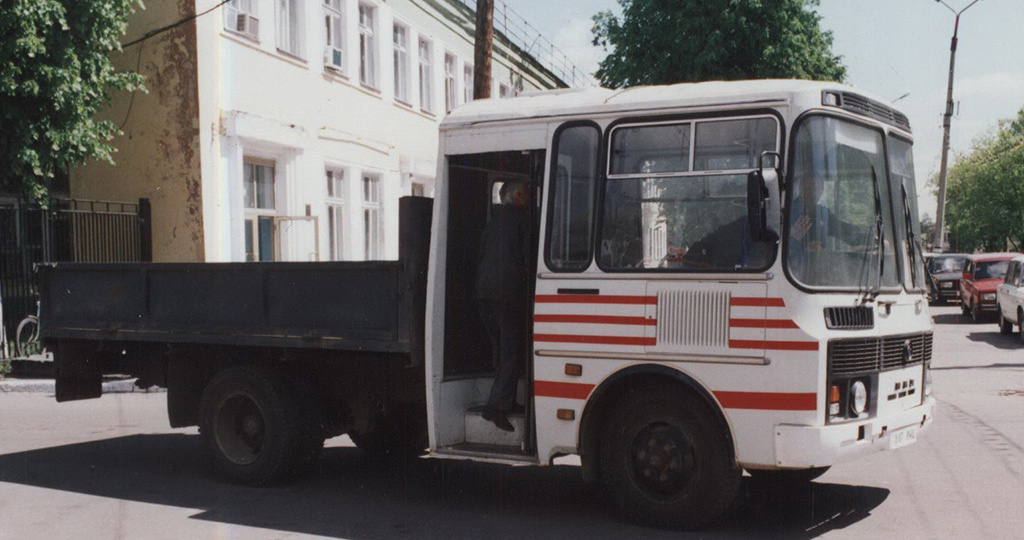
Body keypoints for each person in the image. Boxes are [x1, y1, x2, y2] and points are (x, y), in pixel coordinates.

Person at [474, 180, 530, 432]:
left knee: (500, 351)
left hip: (483, 294)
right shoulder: (522, 222)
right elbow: (527, 260)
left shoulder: (494, 222)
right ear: (518, 196)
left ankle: (507, 400)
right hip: (508, 295)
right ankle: (495, 408)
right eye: (526, 194)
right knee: (511, 352)